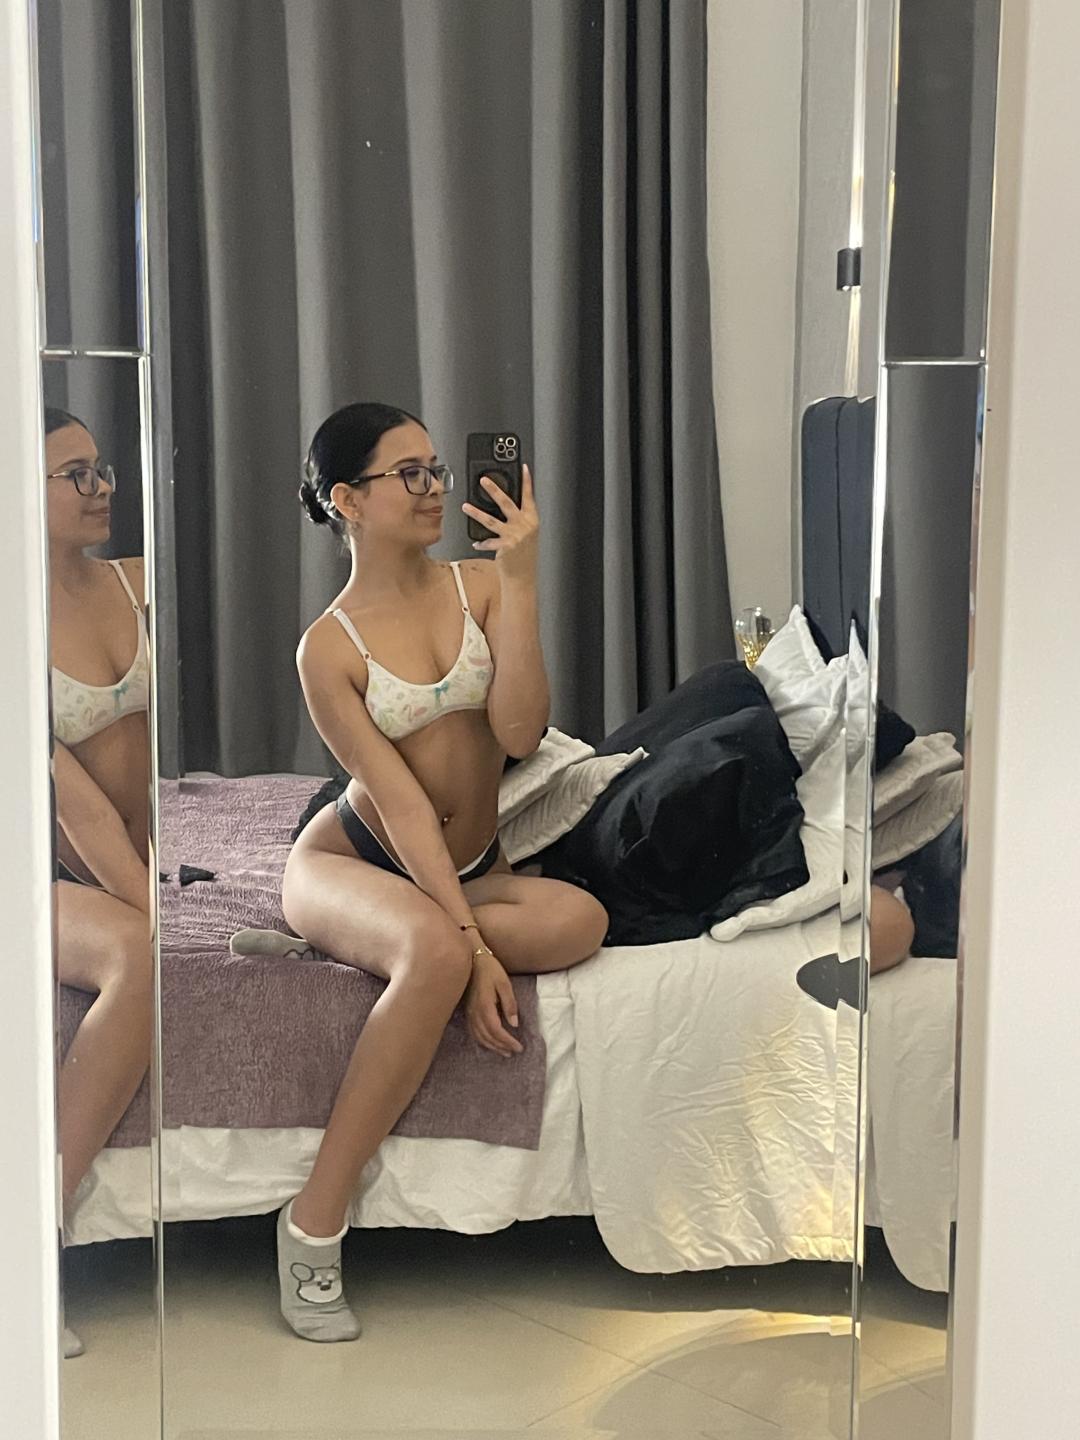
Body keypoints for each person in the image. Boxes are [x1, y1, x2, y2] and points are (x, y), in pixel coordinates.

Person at [278, 403, 609, 1342]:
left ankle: (387, 946)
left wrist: (523, 579)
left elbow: (521, 734)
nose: (433, 490)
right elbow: (402, 806)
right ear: (348, 501)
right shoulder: (328, 647)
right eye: (408, 475)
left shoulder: (483, 587)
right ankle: (311, 1225)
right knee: (433, 952)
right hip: (353, 856)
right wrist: (468, 948)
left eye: (436, 470)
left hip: (466, 868)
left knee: (580, 920)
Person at [45, 408, 152, 1357]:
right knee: (138, 955)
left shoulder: (134, 581)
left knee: (143, 933)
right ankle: (35, 1232)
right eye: (73, 474)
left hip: (129, 851)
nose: (101, 486)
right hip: (38, 867)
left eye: (102, 467)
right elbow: (74, 813)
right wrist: (150, 902)